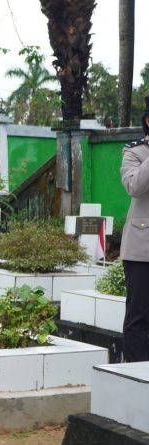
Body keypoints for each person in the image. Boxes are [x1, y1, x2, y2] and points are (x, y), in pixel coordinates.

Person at [119, 95, 149, 363]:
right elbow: (135, 187)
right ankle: (137, 373)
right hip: (142, 250)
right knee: (139, 316)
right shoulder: (135, 152)